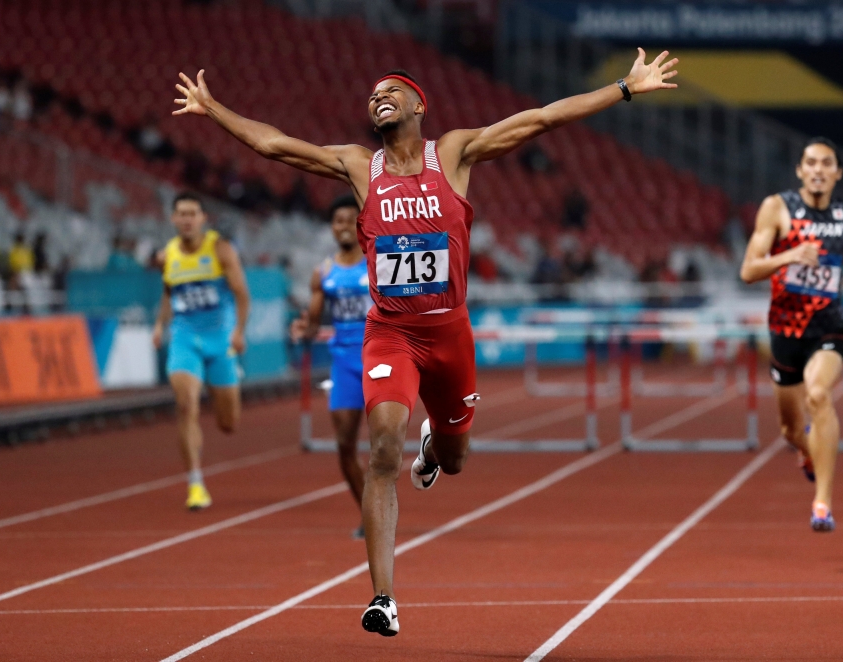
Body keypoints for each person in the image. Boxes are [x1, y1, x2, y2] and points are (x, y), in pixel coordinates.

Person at [173, 47, 677, 634]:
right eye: (371, 96)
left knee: (455, 461)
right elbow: (274, 145)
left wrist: (623, 88)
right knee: (382, 448)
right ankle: (382, 597)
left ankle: (435, 445)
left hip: (450, 334)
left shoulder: (455, 153)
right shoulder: (360, 166)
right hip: (390, 334)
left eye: (390, 91)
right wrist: (213, 110)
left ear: (418, 104)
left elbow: (540, 118)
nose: (377, 98)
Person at [740, 137, 843, 533]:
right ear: (800, 170)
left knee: (818, 394)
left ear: (837, 173)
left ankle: (822, 504)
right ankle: (809, 453)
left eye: (826, 163)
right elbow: (748, 270)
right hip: (784, 331)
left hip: (828, 327)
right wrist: (790, 255)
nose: (817, 170)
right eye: (810, 162)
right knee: (790, 430)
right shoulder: (776, 208)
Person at [153, 193, 250, 511]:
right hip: (185, 339)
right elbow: (170, 292)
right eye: (181, 213)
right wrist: (159, 325)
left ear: (202, 218)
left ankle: (231, 373)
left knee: (228, 424)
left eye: (192, 213)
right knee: (185, 405)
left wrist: (238, 332)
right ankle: (195, 484)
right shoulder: (167, 255)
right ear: (173, 219)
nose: (186, 219)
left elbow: (242, 294)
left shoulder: (220, 249)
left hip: (220, 340)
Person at [291, 195, 371, 539]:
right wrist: (302, 330)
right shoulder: (323, 272)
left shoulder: (378, 262)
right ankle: (370, 514)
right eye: (338, 221)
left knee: (384, 444)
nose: (344, 226)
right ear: (331, 227)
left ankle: (382, 509)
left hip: (378, 357)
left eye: (351, 220)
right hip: (343, 364)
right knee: (344, 446)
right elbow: (312, 324)